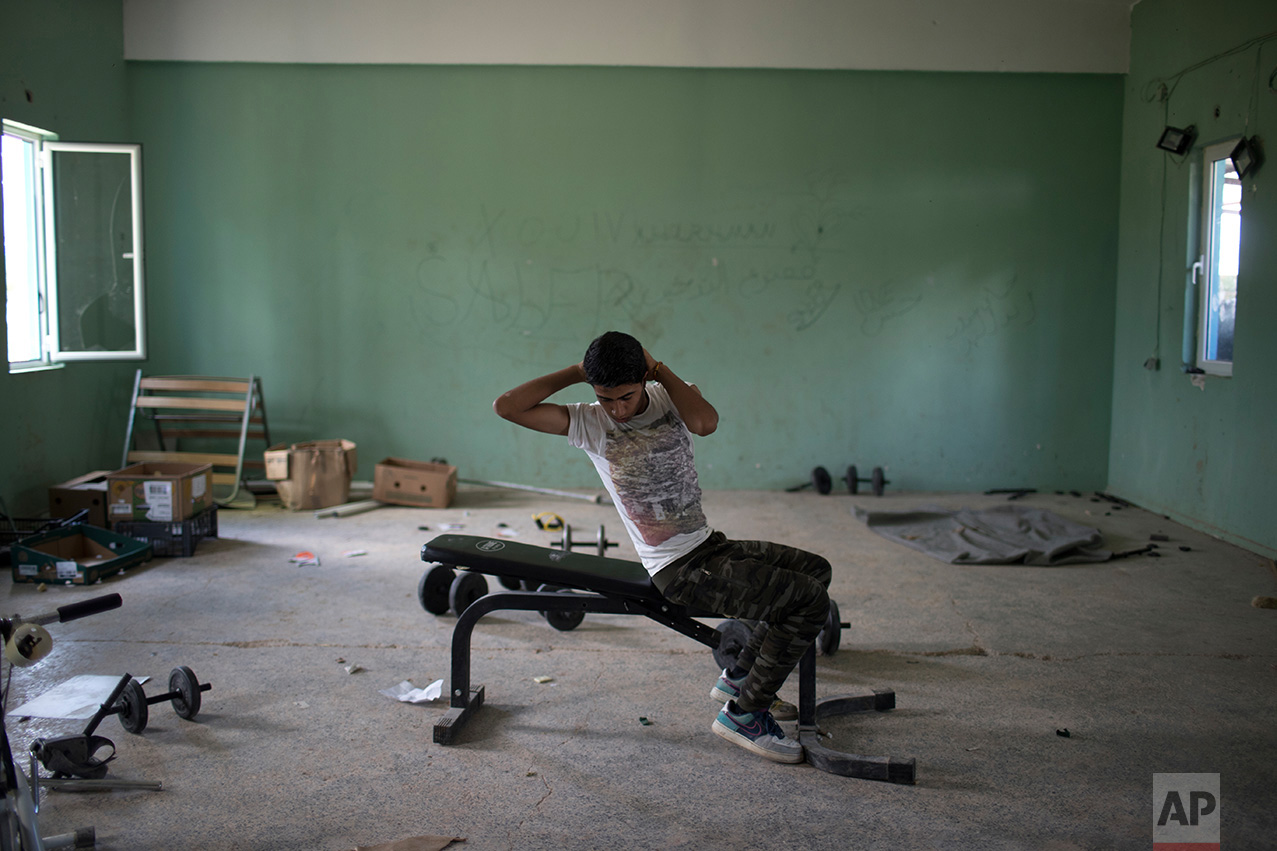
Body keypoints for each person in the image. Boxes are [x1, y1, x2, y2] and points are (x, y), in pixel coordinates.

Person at [493, 331, 832, 764]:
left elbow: (706, 423)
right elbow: (507, 407)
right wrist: (578, 373)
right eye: (605, 398)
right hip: (677, 569)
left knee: (815, 571)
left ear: (645, 378)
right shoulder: (588, 422)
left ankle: (741, 674)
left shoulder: (669, 395)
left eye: (627, 396)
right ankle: (744, 714)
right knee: (808, 602)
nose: (616, 409)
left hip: (707, 546)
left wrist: (661, 371)